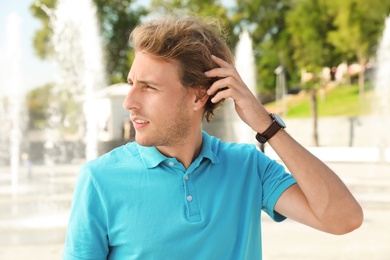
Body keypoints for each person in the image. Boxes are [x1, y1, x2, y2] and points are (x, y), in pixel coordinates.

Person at [63, 14, 363, 259]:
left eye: (149, 87)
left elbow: (343, 219)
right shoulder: (99, 179)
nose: (130, 102)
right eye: (131, 83)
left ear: (199, 96)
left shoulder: (249, 168)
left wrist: (266, 126)